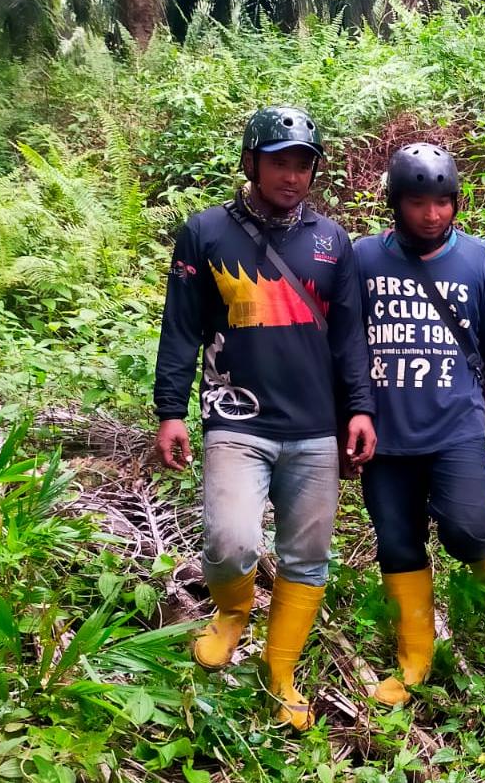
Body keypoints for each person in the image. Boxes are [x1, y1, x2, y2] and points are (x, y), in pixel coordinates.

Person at [153, 105, 376, 731]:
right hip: (235, 417)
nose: (292, 175)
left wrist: (359, 409)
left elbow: (350, 340)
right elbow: (181, 329)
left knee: (307, 560)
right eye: (280, 161)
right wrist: (170, 409)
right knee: (230, 542)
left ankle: (281, 671)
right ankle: (231, 613)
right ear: (251, 162)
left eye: (303, 164)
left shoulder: (334, 243)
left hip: (315, 428)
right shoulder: (205, 232)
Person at [354, 141, 485, 705]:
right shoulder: (361, 259)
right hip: (384, 430)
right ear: (395, 204)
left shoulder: (479, 260)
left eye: (442, 203)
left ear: (456, 202)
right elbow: (342, 344)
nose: (432, 215)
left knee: (467, 528)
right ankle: (414, 658)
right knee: (398, 543)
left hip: (456, 423)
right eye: (418, 203)